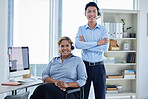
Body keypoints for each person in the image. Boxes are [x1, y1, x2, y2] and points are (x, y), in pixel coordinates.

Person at [75, 2, 109, 99]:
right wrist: (97, 43)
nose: (92, 14)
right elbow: (78, 45)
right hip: (84, 67)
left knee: (100, 96)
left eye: (94, 11)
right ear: (85, 14)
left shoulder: (103, 29)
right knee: (83, 96)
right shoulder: (81, 29)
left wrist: (86, 45)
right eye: (89, 11)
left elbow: (104, 48)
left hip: (99, 66)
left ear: (97, 14)